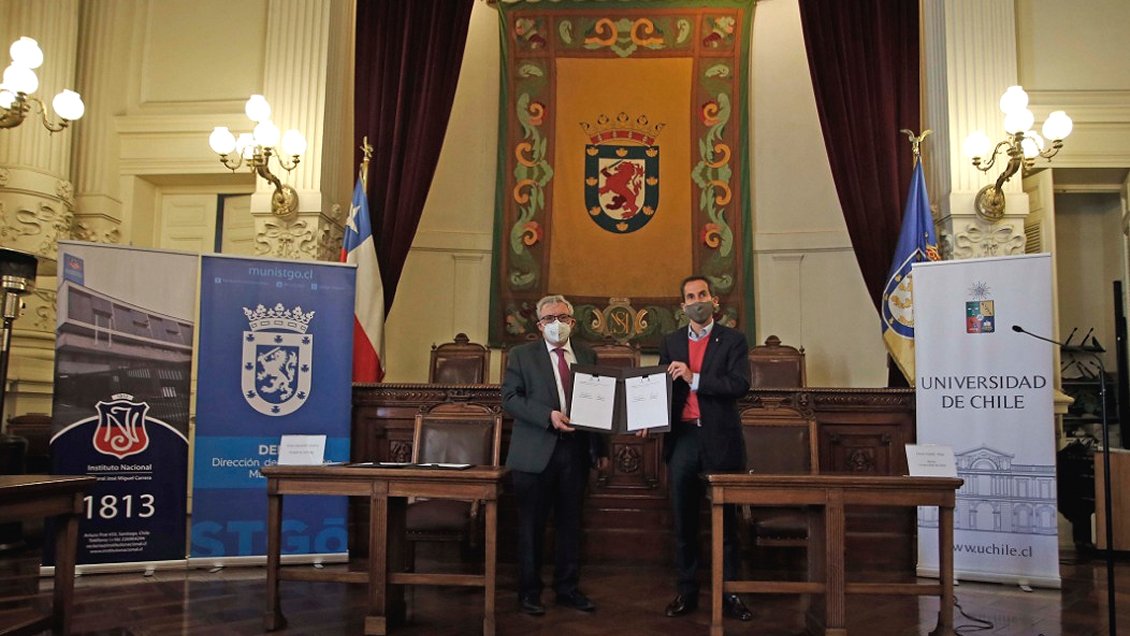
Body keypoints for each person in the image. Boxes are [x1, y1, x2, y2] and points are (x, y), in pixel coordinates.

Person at [502, 294, 608, 616]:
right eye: (549, 319)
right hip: (534, 451)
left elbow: (600, 404)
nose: (556, 324)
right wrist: (547, 415)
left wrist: (601, 449)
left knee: (570, 525)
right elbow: (509, 398)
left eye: (562, 317)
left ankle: (568, 589)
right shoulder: (522, 355)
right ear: (539, 325)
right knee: (531, 526)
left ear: (573, 322)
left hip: (575, 452)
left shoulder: (587, 354)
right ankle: (529, 592)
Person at [658, 275, 752, 621]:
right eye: (689, 296)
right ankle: (686, 591)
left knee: (725, 524)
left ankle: (732, 594)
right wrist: (646, 418)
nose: (696, 300)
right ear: (682, 306)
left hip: (720, 440)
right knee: (684, 521)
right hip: (683, 439)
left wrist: (694, 377)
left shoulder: (734, 341)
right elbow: (660, 389)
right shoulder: (670, 341)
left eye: (702, 294)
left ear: (714, 301)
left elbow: (739, 385)